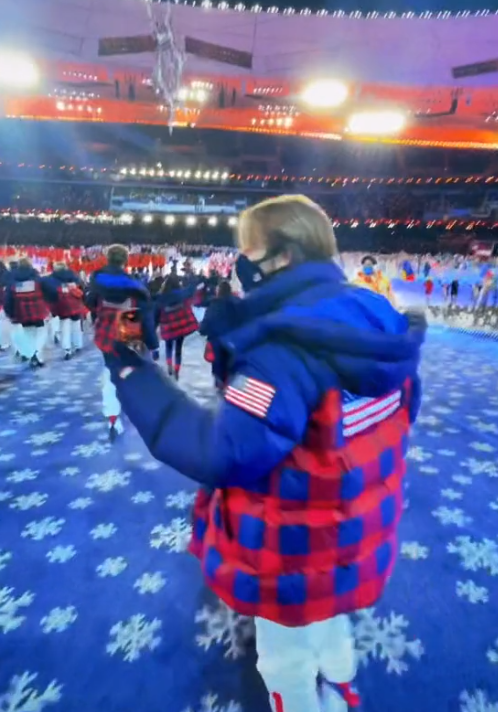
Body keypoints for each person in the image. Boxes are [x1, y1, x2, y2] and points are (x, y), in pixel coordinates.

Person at [108, 195, 425, 712]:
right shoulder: (376, 315)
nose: (240, 264)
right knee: (330, 612)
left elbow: (225, 452)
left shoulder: (280, 350)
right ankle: (342, 682)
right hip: (358, 522)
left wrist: (135, 379)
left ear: (284, 255)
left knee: (284, 655)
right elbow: (403, 412)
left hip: (293, 542)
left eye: (248, 250)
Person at [85, 244, 158, 441]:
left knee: (110, 370)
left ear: (107, 258)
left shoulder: (97, 280)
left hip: (105, 333)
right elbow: (147, 317)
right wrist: (153, 344)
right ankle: (130, 405)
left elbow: (89, 302)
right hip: (129, 333)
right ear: (125, 261)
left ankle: (112, 417)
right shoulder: (136, 285)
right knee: (129, 370)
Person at [4, 257, 50, 368]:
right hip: (38, 310)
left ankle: (32, 354)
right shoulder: (37, 278)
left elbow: (8, 299)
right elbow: (47, 292)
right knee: (42, 332)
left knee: (28, 333)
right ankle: (37, 354)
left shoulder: (13, 281)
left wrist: (10, 313)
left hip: (22, 311)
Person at [155, 274, 200, 380]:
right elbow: (192, 288)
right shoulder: (181, 294)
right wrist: (191, 275)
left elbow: (156, 312)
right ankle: (177, 369)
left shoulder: (161, 297)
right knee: (178, 349)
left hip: (167, 327)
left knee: (168, 346)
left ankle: (169, 364)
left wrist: (155, 325)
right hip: (180, 327)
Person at [199, 280, 240, 391]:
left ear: (218, 291)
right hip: (234, 340)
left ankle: (220, 384)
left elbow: (206, 323)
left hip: (216, 340)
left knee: (217, 365)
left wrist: (202, 330)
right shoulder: (237, 303)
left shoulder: (214, 305)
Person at [42, 262, 85, 360]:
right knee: (76, 324)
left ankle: (67, 349)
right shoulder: (73, 276)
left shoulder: (51, 279)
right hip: (75, 303)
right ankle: (77, 344)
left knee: (64, 326)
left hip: (61, 305)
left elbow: (49, 292)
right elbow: (82, 287)